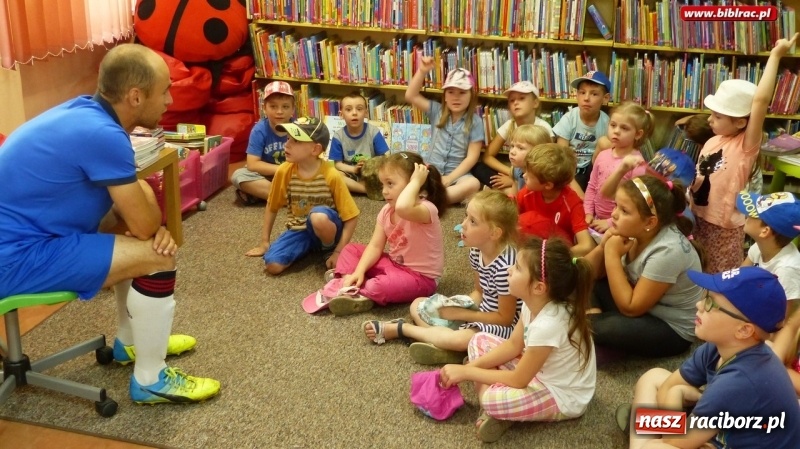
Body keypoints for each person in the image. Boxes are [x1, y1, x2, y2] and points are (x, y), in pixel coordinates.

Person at [0, 43, 220, 404]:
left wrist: (140, 209)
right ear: (135, 96)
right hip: (14, 257)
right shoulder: (103, 134)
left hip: (26, 239)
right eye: (164, 90)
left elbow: (134, 210)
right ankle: (150, 380)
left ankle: (129, 344)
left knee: (128, 233)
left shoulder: (85, 113)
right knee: (157, 254)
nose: (169, 100)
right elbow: (147, 222)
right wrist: (148, 219)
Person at [623, 267, 800, 449]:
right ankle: (646, 432)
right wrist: (678, 399)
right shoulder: (719, 347)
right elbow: (666, 389)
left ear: (743, 330)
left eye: (710, 303)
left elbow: (673, 440)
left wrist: (678, 394)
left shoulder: (740, 381)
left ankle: (642, 433)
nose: (699, 305)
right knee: (652, 377)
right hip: (727, 426)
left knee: (654, 446)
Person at [439, 237, 596, 443]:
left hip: (562, 395)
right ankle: (504, 411)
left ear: (539, 287)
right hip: (536, 370)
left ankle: (494, 412)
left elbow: (518, 380)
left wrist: (468, 372)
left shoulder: (548, 324)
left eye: (518, 268)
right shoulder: (531, 304)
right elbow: (513, 345)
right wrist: (474, 367)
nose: (509, 270)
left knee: (490, 400)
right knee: (478, 341)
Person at [362, 190, 521, 365]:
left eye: (473, 222)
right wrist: (454, 305)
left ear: (494, 233)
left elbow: (505, 319)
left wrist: (461, 313)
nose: (463, 225)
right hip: (482, 311)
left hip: (504, 327)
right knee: (418, 305)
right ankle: (447, 347)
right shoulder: (476, 251)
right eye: (466, 217)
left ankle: (404, 329)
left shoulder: (505, 268)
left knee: (459, 339)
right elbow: (479, 292)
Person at [691, 33, 798, 273]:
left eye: (718, 116)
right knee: (696, 268)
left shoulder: (745, 145)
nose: (710, 120)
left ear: (740, 122)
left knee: (721, 277)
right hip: (698, 218)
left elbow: (760, 101)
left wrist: (776, 54)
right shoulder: (713, 141)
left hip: (724, 227)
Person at [308, 152, 447, 316]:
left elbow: (403, 207)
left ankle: (361, 290)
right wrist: (359, 270)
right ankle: (351, 279)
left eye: (390, 184)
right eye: (383, 185)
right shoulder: (386, 211)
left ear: (416, 187)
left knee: (377, 287)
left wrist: (417, 181)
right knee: (351, 249)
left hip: (421, 279)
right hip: (394, 265)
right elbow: (375, 246)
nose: (385, 191)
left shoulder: (426, 209)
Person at [585, 175, 703, 358]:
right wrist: (603, 246)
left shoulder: (668, 251)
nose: (614, 214)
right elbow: (588, 274)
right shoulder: (632, 230)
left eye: (624, 211)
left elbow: (631, 308)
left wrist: (612, 255)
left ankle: (595, 326)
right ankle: (595, 324)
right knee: (584, 283)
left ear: (650, 222)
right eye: (616, 205)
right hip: (642, 305)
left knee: (606, 328)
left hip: (669, 327)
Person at [245, 117, 360, 274]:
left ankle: (328, 247)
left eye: (296, 141)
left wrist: (338, 251)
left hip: (327, 227)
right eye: (287, 139)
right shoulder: (284, 171)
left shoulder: (331, 175)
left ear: (315, 149)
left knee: (317, 216)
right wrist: (265, 242)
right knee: (273, 265)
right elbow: (272, 206)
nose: (287, 144)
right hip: (299, 229)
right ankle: (310, 247)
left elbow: (351, 217)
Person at [405, 59, 484, 204]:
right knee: (405, 169)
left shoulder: (476, 122)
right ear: (445, 96)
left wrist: (450, 178)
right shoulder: (436, 111)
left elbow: (472, 158)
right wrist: (422, 71)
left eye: (462, 92)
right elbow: (411, 95)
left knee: (473, 184)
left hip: (457, 175)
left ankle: (429, 197)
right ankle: (433, 196)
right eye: (451, 92)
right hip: (430, 169)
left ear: (471, 95)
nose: (456, 97)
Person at [584, 102, 652, 237]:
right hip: (596, 220)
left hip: (620, 226)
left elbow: (634, 204)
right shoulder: (603, 155)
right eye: (613, 125)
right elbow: (592, 186)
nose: (616, 131)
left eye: (624, 128)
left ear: (637, 134)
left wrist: (609, 222)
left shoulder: (637, 164)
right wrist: (588, 212)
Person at [472, 81, 555, 191]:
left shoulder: (543, 128)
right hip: (516, 169)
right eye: (511, 100)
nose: (516, 103)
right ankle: (507, 189)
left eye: (521, 98)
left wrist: (517, 178)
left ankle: (508, 190)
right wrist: (511, 173)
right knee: (478, 168)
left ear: (535, 103)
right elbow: (487, 156)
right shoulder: (509, 125)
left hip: (535, 175)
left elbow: (549, 163)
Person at [516, 143, 596, 256]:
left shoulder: (572, 203)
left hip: (553, 254)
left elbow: (587, 246)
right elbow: (508, 219)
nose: (524, 176)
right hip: (529, 249)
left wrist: (550, 257)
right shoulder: (527, 193)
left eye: (529, 175)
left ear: (548, 185)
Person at [230, 81, 295, 205]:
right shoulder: (259, 130)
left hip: (293, 175)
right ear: (264, 108)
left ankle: (264, 196)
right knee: (239, 175)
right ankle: (287, 199)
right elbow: (253, 165)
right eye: (273, 106)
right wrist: (282, 169)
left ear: (293, 109)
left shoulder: (299, 128)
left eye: (285, 107)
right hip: (267, 175)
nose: (279, 111)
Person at [737, 191, 800, 317]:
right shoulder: (760, 247)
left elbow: (781, 320)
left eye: (753, 213)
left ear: (765, 231)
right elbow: (738, 278)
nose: (747, 214)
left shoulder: (786, 269)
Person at [553, 71, 611, 193]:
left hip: (593, 168)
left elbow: (607, 155)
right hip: (570, 166)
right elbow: (561, 152)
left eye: (594, 94)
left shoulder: (607, 122)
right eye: (582, 92)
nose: (586, 98)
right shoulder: (569, 118)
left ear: (605, 98)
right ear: (577, 95)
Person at [328, 91, 390, 194]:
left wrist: (371, 166)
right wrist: (354, 169)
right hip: (350, 172)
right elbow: (338, 164)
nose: (354, 113)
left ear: (366, 113)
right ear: (341, 114)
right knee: (334, 175)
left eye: (359, 109)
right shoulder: (338, 136)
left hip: (371, 173)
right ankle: (365, 190)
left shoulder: (373, 132)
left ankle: (358, 187)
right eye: (348, 109)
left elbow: (384, 157)